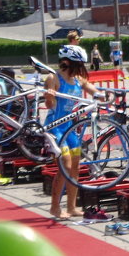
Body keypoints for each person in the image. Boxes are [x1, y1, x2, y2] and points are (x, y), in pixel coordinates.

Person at [45, 45, 106, 220]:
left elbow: (94, 91)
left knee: (76, 167)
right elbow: (49, 105)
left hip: (70, 128)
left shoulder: (79, 79)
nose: (82, 68)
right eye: (78, 64)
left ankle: (71, 206)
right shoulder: (53, 78)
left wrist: (104, 96)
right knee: (65, 165)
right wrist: (50, 96)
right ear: (67, 62)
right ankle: (54, 207)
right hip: (55, 127)